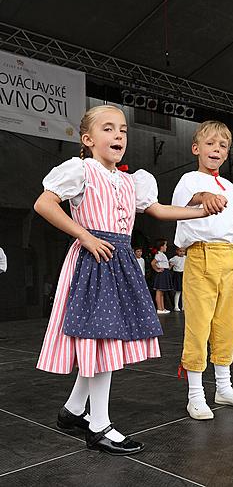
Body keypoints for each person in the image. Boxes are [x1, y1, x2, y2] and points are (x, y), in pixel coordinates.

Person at [34, 105, 215, 456]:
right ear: (87, 140)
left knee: (103, 341)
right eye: (107, 129)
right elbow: (45, 203)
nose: (118, 135)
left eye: (123, 130)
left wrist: (199, 210)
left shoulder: (130, 180)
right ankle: (98, 426)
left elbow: (158, 210)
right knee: (102, 341)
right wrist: (85, 236)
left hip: (119, 262)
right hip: (94, 259)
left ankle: (73, 410)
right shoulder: (81, 170)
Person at [172, 120, 233, 421]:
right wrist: (202, 198)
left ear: (227, 153)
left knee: (226, 325)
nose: (216, 149)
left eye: (222, 146)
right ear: (196, 148)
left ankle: (224, 387)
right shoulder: (189, 180)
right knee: (198, 325)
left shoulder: (232, 189)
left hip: (227, 257)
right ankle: (195, 394)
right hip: (200, 255)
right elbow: (180, 205)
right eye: (210, 144)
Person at [151, 238, 173, 314]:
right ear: (161, 247)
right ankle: (159, 308)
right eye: (165, 245)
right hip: (161, 274)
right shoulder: (159, 255)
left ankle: (162, 308)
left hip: (165, 273)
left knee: (162, 292)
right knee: (159, 291)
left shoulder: (163, 255)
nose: (166, 247)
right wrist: (157, 270)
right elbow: (153, 263)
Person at [169, 247, 186, 311]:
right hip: (177, 274)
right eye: (180, 251)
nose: (182, 253)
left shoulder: (186, 258)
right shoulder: (175, 258)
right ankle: (176, 306)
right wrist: (171, 265)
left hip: (184, 274)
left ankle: (183, 306)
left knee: (184, 291)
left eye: (183, 251)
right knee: (178, 291)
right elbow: (170, 262)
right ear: (177, 251)